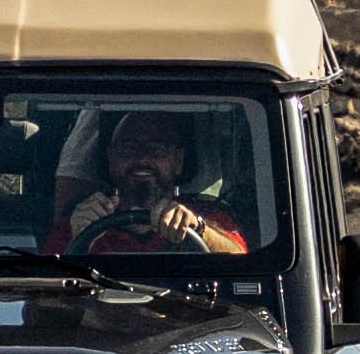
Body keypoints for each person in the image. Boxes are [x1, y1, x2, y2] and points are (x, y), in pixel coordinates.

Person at [46, 110, 249, 256]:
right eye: (128, 149)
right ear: (110, 158)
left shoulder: (207, 216)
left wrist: (198, 229)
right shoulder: (79, 220)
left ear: (178, 161)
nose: (142, 159)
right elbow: (40, 306)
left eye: (155, 150)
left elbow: (243, 264)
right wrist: (79, 239)